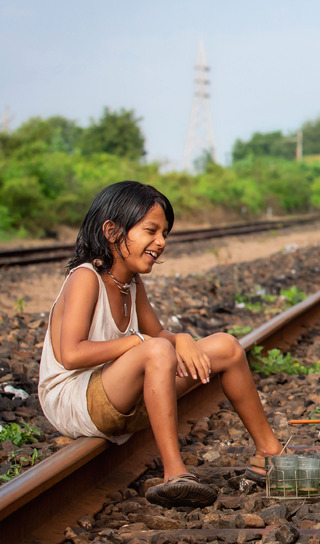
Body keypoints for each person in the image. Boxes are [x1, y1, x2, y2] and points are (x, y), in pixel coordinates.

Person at [38, 181, 284, 508]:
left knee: (226, 346)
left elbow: (160, 336)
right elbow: (71, 355)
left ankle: (269, 454)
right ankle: (174, 473)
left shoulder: (131, 283)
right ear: (112, 231)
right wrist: (140, 342)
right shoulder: (85, 277)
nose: (160, 242)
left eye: (164, 233)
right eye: (151, 230)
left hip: (116, 391)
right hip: (73, 398)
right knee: (156, 349)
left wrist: (180, 339)